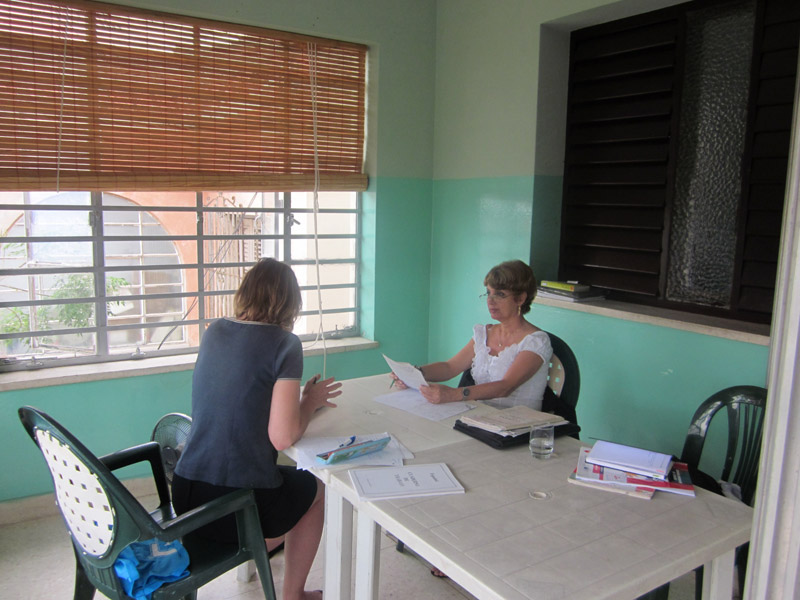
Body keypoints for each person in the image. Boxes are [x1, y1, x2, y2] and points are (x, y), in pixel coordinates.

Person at [172, 258, 342, 600]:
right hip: (235, 509)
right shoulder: (285, 344)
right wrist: (308, 402)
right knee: (318, 487)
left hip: (187, 494)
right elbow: (282, 437)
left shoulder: (215, 331)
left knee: (288, 480)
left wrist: (300, 403)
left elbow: (244, 400)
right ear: (291, 303)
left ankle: (271, 553)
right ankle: (292, 593)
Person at [393, 259, 552, 410]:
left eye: (500, 294)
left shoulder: (536, 341)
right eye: (488, 293)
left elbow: (506, 386)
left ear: (520, 299)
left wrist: (454, 394)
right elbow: (450, 367)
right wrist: (415, 373)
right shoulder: (484, 334)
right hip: (480, 418)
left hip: (520, 428)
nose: (490, 301)